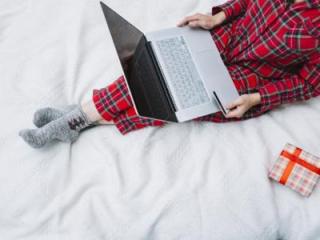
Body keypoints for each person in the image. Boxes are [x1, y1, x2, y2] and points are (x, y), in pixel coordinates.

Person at [19, 0, 320, 148]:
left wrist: (256, 98)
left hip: (254, 77)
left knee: (176, 101)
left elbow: (309, 83)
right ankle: (75, 120)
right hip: (224, 37)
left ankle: (76, 118)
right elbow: (247, 2)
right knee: (153, 67)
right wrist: (219, 16)